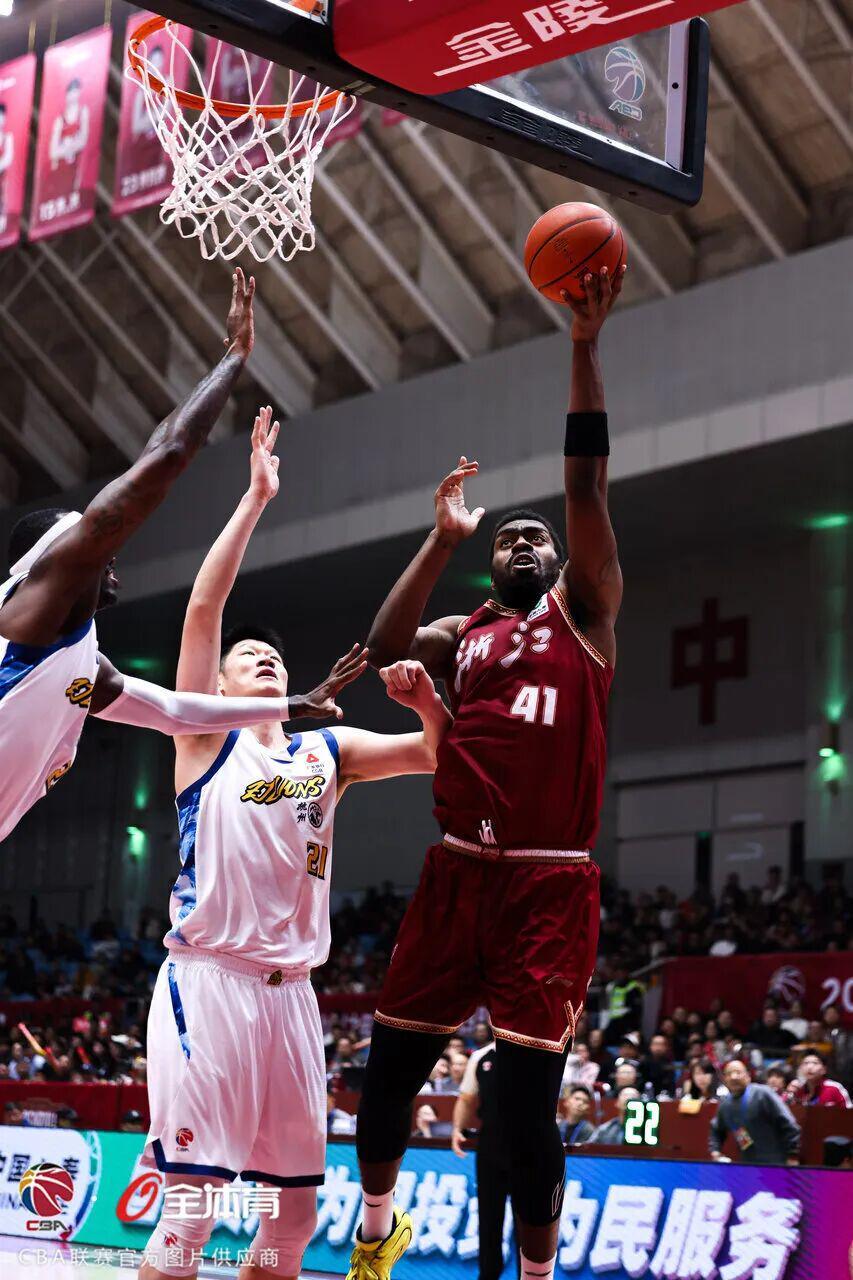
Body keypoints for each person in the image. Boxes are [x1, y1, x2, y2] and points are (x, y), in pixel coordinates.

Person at [347, 266, 626, 1280]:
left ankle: (537, 1274)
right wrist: (439, 539)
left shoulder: (586, 614)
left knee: (521, 1118)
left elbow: (584, 486)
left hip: (548, 884)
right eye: (505, 537)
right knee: (385, 1082)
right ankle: (376, 1230)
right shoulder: (463, 634)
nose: (520, 541)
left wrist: (582, 346)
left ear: (555, 561)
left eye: (532, 536)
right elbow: (383, 649)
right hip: (456, 871)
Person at [139, 417, 453, 1280]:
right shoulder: (205, 741)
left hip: (292, 1001)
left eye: (271, 656)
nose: (262, 659)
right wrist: (254, 499)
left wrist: (428, 703)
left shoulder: (327, 752)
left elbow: (434, 753)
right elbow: (204, 609)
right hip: (211, 982)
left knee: (291, 1225)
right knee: (192, 1214)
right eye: (245, 657)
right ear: (219, 687)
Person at [0, 273, 341, 845]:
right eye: (89, 540)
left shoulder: (80, 666)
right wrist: (234, 357)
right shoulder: (44, 597)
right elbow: (167, 454)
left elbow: (178, 712)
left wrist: (291, 705)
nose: (110, 553)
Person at [451, 1034, 518, 1280]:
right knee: (489, 1216)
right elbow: (467, 1097)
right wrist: (457, 1129)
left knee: (527, 1218)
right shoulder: (480, 1057)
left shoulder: (532, 1049)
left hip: (527, 1144)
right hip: (490, 1142)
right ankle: (488, 1274)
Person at [709, 1059, 800, 1166]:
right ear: (724, 1079)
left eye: (738, 1072)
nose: (734, 1077)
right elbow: (716, 1129)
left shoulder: (762, 1093)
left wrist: (792, 1154)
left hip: (776, 1162)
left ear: (748, 1076)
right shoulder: (725, 1103)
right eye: (729, 1074)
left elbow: (789, 1124)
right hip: (748, 1164)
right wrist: (715, 1151)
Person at [787, 1050, 851, 1108]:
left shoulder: (834, 1088)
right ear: (800, 1068)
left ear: (824, 1069)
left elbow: (850, 1113)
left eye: (815, 1063)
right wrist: (790, 1095)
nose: (809, 1067)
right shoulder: (798, 1090)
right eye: (806, 1063)